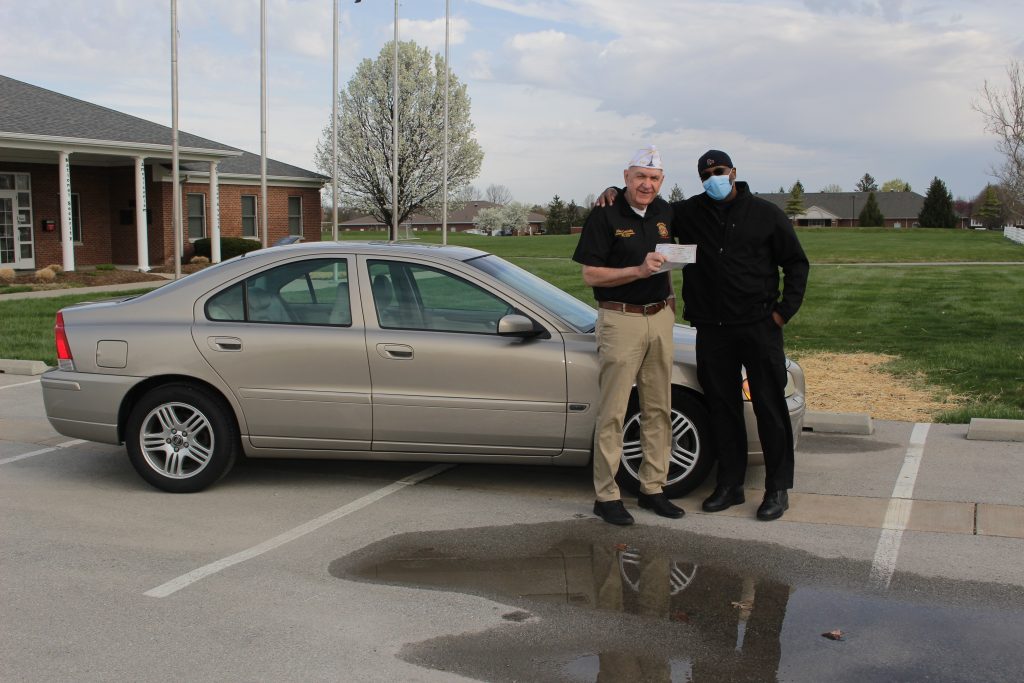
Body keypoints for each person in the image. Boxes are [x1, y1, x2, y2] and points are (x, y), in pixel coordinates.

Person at [597, 149, 809, 521]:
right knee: (723, 407)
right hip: (712, 328)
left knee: (768, 405)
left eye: (719, 170)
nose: (714, 177)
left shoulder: (765, 214)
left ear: (733, 172)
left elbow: (796, 263)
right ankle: (730, 484)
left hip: (759, 325)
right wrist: (615, 189)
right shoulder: (688, 212)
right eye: (706, 173)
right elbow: (647, 203)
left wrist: (781, 313)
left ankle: (778, 488)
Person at [572, 145, 685, 526]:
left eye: (654, 178)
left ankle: (653, 487)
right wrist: (637, 271)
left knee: (658, 407)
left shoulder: (665, 211)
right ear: (626, 177)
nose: (647, 184)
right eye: (640, 176)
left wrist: (669, 301)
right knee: (614, 412)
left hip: (659, 316)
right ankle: (607, 495)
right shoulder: (605, 214)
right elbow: (590, 275)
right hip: (620, 319)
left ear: (662, 181)